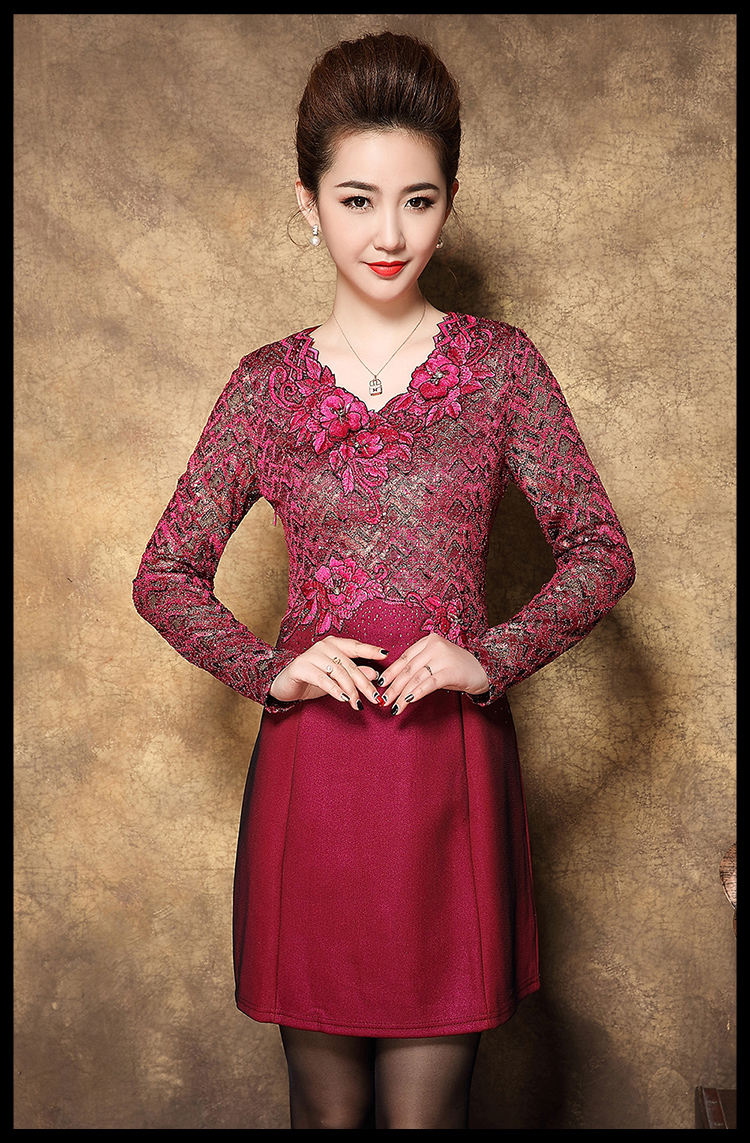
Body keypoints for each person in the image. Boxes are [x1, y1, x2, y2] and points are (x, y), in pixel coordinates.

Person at [133, 30, 635, 1129]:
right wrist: (270, 668)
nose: (390, 232)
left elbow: (602, 550)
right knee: (325, 1115)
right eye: (358, 200)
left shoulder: (501, 368)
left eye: (419, 199)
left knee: (427, 1118)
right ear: (308, 205)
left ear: (449, 204)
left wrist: (488, 656)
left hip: (447, 772)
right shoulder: (264, 388)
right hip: (314, 776)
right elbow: (164, 571)